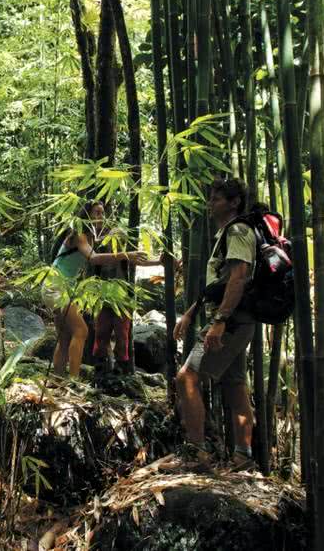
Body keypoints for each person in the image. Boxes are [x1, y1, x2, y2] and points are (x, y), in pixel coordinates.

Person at [173, 177, 257, 471]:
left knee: (186, 378)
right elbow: (220, 284)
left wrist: (219, 322)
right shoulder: (226, 234)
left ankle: (197, 453)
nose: (210, 204)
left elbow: (238, 277)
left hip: (231, 322)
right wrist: (191, 312)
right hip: (233, 320)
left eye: (217, 199)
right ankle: (243, 456)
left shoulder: (238, 231)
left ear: (234, 202)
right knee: (234, 384)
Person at [44, 201, 148, 377]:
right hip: (55, 286)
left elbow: (107, 253)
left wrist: (156, 261)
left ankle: (58, 381)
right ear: (86, 216)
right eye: (97, 213)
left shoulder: (90, 238)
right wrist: (126, 254)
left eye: (102, 213)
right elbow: (94, 258)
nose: (102, 217)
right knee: (81, 331)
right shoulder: (79, 235)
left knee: (64, 339)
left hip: (60, 288)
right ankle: (73, 381)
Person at [89, 213, 164, 375]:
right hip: (102, 299)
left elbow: (141, 259)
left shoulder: (125, 256)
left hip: (122, 300)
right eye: (114, 238)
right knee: (101, 334)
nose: (117, 241)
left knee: (122, 336)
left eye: (121, 239)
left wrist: (159, 261)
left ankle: (120, 372)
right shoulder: (100, 253)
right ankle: (101, 371)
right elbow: (91, 261)